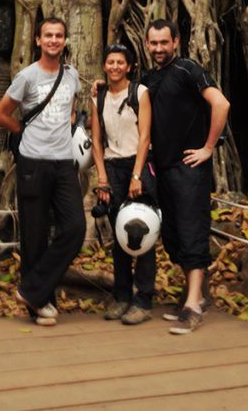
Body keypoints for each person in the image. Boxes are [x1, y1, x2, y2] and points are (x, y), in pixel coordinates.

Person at [0, 17, 85, 326]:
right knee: (34, 235)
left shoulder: (71, 76)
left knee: (74, 228)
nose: (54, 40)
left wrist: (67, 126)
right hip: (33, 161)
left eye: (59, 35)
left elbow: (71, 108)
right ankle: (40, 304)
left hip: (63, 162)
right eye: (48, 35)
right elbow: (1, 113)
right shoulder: (27, 76)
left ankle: (31, 289)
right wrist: (23, 133)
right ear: (37, 40)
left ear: (65, 41)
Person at [142, 18, 230, 335]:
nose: (158, 48)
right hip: (162, 168)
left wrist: (208, 148)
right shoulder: (149, 78)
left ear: (176, 41)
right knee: (174, 235)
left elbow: (221, 103)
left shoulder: (188, 70)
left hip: (190, 167)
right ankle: (195, 295)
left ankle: (193, 305)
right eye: (153, 43)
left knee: (192, 231)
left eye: (164, 42)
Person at [91, 44, 156, 325]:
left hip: (137, 164)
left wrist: (137, 176)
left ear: (129, 67)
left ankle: (143, 299)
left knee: (141, 233)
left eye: (120, 62)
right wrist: (102, 178)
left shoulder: (140, 93)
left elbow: (144, 137)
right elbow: (96, 140)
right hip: (112, 168)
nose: (115, 66)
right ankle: (121, 296)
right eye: (110, 62)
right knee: (118, 236)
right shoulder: (99, 96)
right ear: (104, 66)